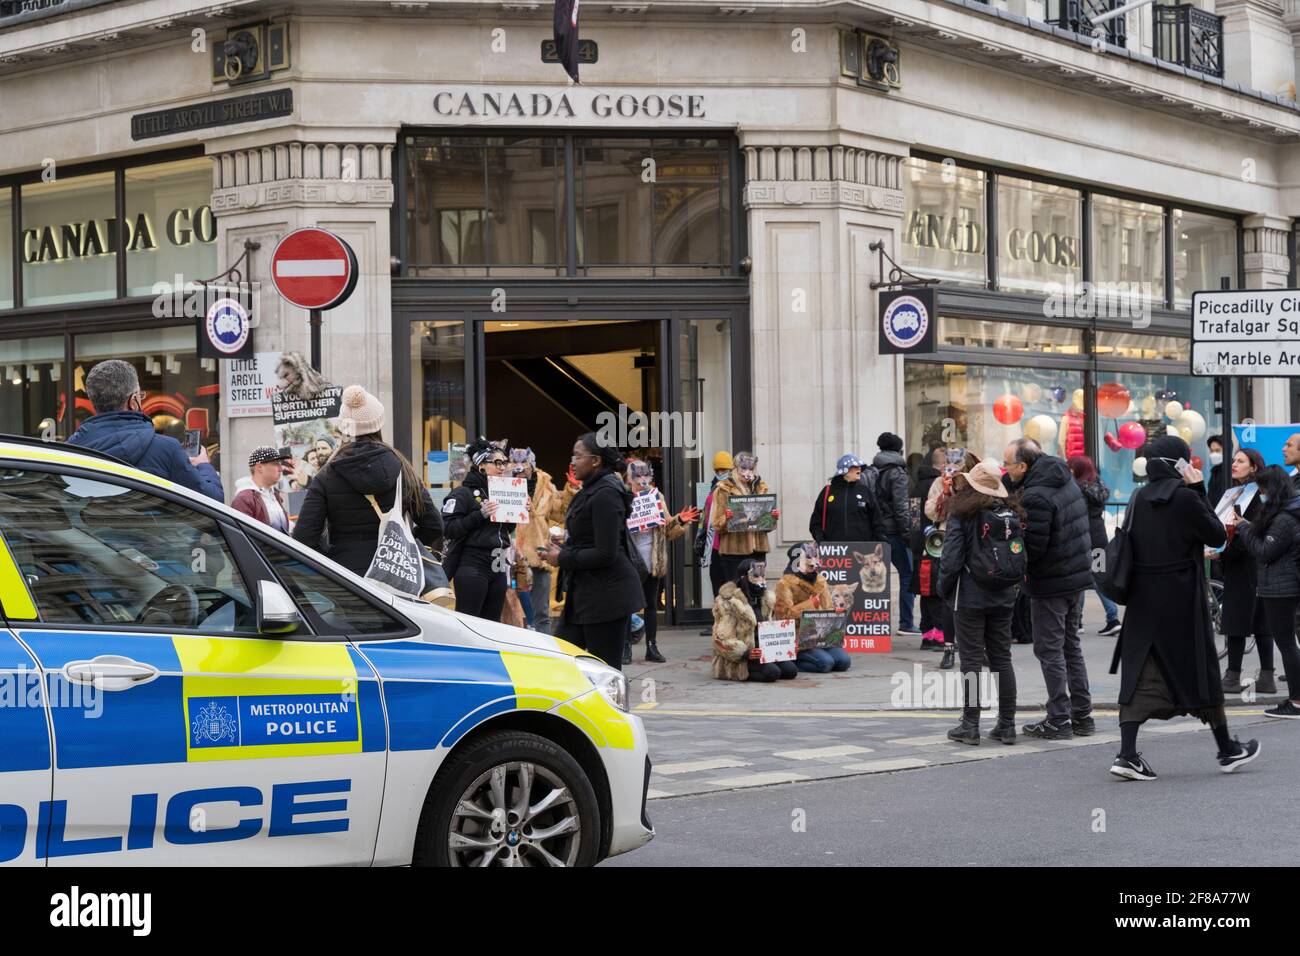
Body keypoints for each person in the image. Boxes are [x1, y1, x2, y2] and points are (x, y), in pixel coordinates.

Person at [1109, 435, 1260, 780]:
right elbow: (1217, 536)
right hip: (1181, 598)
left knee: (1140, 672)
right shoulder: (1184, 498)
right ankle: (1227, 749)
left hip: (1143, 599)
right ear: (1178, 464)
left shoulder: (1138, 496)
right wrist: (1199, 490)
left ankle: (1127, 754)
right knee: (1201, 668)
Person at [292, 385, 442, 575]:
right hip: (396, 573)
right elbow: (434, 526)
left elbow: (303, 538)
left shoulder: (326, 475)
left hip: (347, 578)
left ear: (344, 427)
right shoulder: (403, 468)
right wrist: (404, 547)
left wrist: (334, 558)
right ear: (379, 423)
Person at [1003, 437, 1094, 740]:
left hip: (1050, 583)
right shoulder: (1063, 479)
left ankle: (1059, 718)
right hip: (1074, 578)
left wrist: (1013, 553)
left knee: (1049, 649)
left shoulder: (1037, 496)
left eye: (1009, 464)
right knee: (1070, 646)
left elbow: (1034, 548)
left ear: (1024, 465)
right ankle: (1082, 715)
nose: (1006, 470)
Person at [540, 433, 644, 670]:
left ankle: (610, 707)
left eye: (578, 456)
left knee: (604, 671)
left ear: (596, 461)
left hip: (607, 598)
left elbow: (606, 553)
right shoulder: (592, 489)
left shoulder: (606, 494)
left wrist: (562, 557)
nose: (573, 462)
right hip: (586, 595)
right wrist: (564, 546)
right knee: (560, 663)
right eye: (572, 456)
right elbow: (589, 539)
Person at [938, 460, 1022, 745]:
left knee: (971, 660)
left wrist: (943, 589)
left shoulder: (962, 515)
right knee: (1002, 658)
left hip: (970, 595)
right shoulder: (1010, 512)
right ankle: (1007, 725)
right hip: (1003, 594)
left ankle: (970, 724)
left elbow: (951, 560)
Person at [68, 359, 223, 501]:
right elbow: (212, 500)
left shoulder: (68, 452)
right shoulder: (167, 450)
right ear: (133, 401)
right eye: (140, 396)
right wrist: (203, 465)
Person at [1232, 464, 1300, 719]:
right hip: (1281, 584)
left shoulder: (1285, 518)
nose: (1261, 493)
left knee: (1286, 644)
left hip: (1281, 587)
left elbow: (1264, 551)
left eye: (1262, 488)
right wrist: (1248, 526)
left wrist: (1242, 529)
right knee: (1287, 643)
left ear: (1273, 488)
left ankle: (1296, 700)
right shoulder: (1288, 511)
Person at [624, 458, 700, 663]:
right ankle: (625, 648)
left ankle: (652, 647)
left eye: (645, 475)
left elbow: (667, 529)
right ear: (629, 477)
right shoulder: (622, 496)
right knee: (628, 605)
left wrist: (680, 520)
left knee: (650, 605)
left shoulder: (656, 497)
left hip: (653, 558)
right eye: (637, 475)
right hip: (631, 559)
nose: (642, 479)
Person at [1215, 449, 1274, 694]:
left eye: (1240, 461)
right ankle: (1264, 676)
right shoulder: (1233, 492)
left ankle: (1234, 675)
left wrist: (1224, 551)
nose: (1234, 464)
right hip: (1242, 561)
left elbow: (1251, 529)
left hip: (1248, 561)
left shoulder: (1259, 495)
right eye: (1234, 460)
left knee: (1241, 620)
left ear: (1254, 467)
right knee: (1254, 620)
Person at [440, 440, 520, 621]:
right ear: (481, 465)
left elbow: (507, 529)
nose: (502, 468)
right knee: (470, 624)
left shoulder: (501, 492)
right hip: (473, 565)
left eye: (505, 463)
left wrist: (517, 511)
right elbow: (448, 529)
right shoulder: (463, 494)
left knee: (493, 625)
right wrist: (480, 514)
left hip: (498, 564)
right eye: (498, 463)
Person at [509, 446, 565, 634]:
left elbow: (560, 514)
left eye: (523, 463)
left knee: (541, 612)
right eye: (515, 463)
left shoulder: (547, 487)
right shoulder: (503, 484)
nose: (519, 467)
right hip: (511, 555)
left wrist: (572, 491)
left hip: (539, 554)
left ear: (531, 464)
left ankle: (545, 654)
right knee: (511, 610)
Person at [711, 559, 796, 682]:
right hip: (741, 657)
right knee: (772, 673)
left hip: (764, 651)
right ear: (744, 578)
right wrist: (745, 653)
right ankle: (742, 673)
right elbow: (721, 638)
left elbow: (771, 628)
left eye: (763, 576)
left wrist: (783, 644)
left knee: (790, 671)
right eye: (756, 576)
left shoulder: (765, 599)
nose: (762, 580)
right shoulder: (729, 602)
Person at [774, 542, 851, 674]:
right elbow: (784, 616)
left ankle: (817, 655)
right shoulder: (785, 584)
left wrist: (835, 613)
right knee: (826, 663)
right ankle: (792, 661)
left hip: (821, 636)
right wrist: (810, 604)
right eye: (808, 557)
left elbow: (827, 609)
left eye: (815, 557)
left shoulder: (820, 580)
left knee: (844, 661)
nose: (814, 561)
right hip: (798, 640)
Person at [1068, 455, 1121, 636]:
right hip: (1098, 537)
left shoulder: (1076, 488)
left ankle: (1077, 620)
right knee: (1099, 578)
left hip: (1081, 539)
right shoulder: (1097, 486)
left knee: (1081, 579)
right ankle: (1112, 617)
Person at [709, 451, 778, 583]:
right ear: (735, 468)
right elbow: (716, 525)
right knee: (737, 593)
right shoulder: (723, 489)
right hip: (734, 553)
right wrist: (726, 518)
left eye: (751, 468)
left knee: (758, 590)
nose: (747, 472)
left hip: (758, 551)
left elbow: (765, 525)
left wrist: (772, 517)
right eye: (744, 468)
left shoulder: (760, 488)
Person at [872, 432, 917, 634]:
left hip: (877, 530)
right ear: (899, 450)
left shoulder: (873, 470)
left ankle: (872, 626)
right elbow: (901, 507)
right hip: (895, 532)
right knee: (908, 574)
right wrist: (908, 534)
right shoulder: (897, 473)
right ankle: (906, 623)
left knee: (874, 579)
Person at [808, 453, 884, 544]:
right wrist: (821, 540)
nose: (859, 469)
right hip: (833, 552)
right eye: (855, 466)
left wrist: (878, 542)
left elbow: (878, 522)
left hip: (863, 552)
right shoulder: (827, 492)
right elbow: (815, 523)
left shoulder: (865, 492)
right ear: (845, 470)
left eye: (860, 466)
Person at [912, 447, 945, 650]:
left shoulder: (916, 487)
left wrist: (914, 542)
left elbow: (913, 518)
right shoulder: (941, 485)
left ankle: (927, 635)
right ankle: (940, 636)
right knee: (939, 593)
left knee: (926, 593)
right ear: (941, 465)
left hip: (920, 546)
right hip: (938, 545)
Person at [698, 451, 733, 635]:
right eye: (718, 469)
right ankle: (718, 622)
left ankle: (729, 625)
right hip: (714, 545)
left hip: (728, 545)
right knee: (717, 585)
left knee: (729, 587)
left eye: (724, 469)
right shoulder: (712, 488)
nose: (721, 472)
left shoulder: (732, 488)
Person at [232, 446, 293, 531]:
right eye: (275, 464)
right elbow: (245, 537)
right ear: (259, 468)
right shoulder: (244, 499)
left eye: (280, 464)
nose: (280, 469)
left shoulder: (274, 494)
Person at [1205, 434, 1228, 508]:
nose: (1214, 454)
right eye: (1212, 451)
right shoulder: (1214, 470)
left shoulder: (1233, 470)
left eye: (1217, 450)